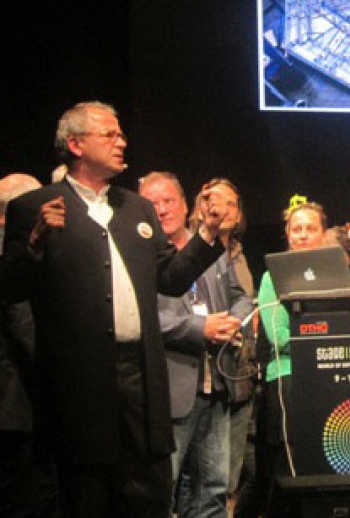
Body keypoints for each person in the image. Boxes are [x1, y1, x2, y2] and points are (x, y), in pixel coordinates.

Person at [0, 101, 229, 518]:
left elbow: (170, 278)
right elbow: (11, 289)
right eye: (110, 134)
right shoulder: (33, 208)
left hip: (140, 376)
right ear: (76, 144)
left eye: (121, 134)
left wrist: (207, 235)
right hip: (78, 385)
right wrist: (34, 244)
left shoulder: (137, 209)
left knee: (148, 494)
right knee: (86, 496)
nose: (122, 142)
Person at [139, 174, 252, 518]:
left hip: (215, 386)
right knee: (165, 488)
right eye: (152, 204)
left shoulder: (210, 247)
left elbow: (240, 296)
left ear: (185, 205)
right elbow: (143, 318)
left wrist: (234, 321)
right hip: (172, 389)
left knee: (214, 490)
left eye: (169, 201)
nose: (162, 210)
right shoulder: (139, 256)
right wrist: (201, 328)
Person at [255, 198, 329, 516]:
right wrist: (320, 338)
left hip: (328, 375)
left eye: (310, 228)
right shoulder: (271, 277)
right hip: (286, 377)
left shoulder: (334, 274)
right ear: (287, 233)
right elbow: (279, 337)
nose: (303, 235)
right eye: (296, 229)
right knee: (288, 469)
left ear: (323, 234)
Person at [0, 172, 59, 518]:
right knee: (27, 500)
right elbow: (24, 325)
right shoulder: (14, 259)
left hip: (19, 406)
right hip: (20, 406)